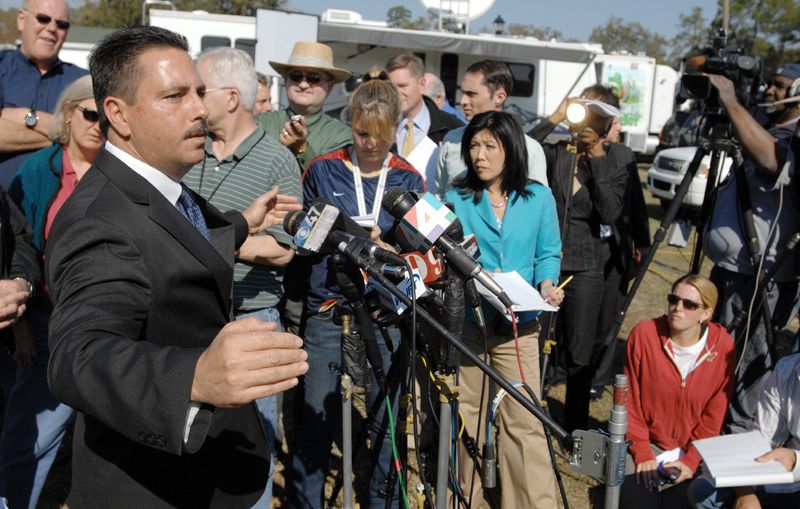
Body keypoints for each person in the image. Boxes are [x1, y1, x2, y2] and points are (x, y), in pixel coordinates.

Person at [44, 26, 307, 507]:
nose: (200, 110)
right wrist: (194, 377)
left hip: (199, 471)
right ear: (118, 115)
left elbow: (177, 237)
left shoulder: (160, 183)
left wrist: (243, 225)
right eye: (175, 96)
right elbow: (77, 355)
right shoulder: (99, 221)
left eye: (199, 93)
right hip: (150, 485)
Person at [291, 78, 425, 509]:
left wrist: (390, 250)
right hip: (329, 309)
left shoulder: (408, 177)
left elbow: (422, 253)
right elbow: (302, 242)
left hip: (384, 314)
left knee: (387, 419)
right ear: (350, 123)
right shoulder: (323, 169)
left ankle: (382, 502)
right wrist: (343, 238)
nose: (370, 143)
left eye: (380, 135)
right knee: (315, 420)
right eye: (362, 132)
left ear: (396, 128)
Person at [182, 47, 302, 508]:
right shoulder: (189, 153)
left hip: (250, 321)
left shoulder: (276, 162)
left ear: (230, 97)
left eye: (199, 90)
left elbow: (284, 250)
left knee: (249, 455)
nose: (191, 101)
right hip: (193, 318)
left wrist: (212, 244)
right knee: (192, 444)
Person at [446, 110, 563, 508]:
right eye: (473, 146)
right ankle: (469, 501)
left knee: (524, 422)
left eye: (489, 147)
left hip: (520, 327)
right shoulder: (456, 197)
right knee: (468, 422)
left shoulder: (538, 196)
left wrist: (548, 285)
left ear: (510, 150)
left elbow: (548, 254)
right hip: (470, 325)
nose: (479, 156)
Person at [0, 75, 100, 509]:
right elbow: (22, 246)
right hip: (46, 323)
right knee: (30, 440)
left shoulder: (120, 174)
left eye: (108, 117)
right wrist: (21, 327)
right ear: (68, 114)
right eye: (90, 113)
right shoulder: (40, 169)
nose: (99, 125)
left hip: (104, 328)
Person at [703, 69, 799, 434]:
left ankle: (737, 464)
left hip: (764, 276)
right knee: (717, 359)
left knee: (745, 374)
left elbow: (771, 160)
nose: (770, 91)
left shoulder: (793, 136)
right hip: (732, 269)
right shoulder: (765, 125)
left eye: (780, 86)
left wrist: (731, 100)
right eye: (769, 82)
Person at [529, 85, 629, 433]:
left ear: (607, 122)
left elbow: (610, 212)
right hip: (545, 258)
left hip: (586, 262)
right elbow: (519, 147)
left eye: (595, 114)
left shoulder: (617, 158)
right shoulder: (558, 152)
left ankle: (575, 428)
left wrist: (597, 156)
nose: (586, 120)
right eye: (582, 111)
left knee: (578, 351)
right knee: (534, 341)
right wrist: (555, 116)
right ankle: (527, 414)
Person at [621, 274, 735, 509]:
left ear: (706, 313)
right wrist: (642, 452)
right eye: (673, 300)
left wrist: (692, 459)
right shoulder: (644, 334)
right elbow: (628, 401)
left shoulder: (723, 345)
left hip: (696, 449)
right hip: (646, 443)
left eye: (689, 304)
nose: (677, 308)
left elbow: (715, 413)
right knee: (642, 503)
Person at [590, 111, 652, 398]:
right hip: (585, 245)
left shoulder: (624, 154)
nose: (620, 128)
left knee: (609, 315)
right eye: (615, 123)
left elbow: (637, 204)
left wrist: (642, 242)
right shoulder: (574, 152)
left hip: (615, 248)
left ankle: (598, 379)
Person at [688, 352, 800, 509]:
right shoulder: (786, 369)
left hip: (795, 467)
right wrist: (745, 492)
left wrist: (795, 460)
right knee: (703, 492)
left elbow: (792, 460)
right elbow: (762, 439)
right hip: (789, 478)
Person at [0, 0, 88, 189]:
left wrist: (29, 118)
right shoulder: (1, 68)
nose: (51, 29)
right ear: (21, 20)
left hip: (61, 213)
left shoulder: (83, 83)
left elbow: (93, 137)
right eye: (43, 19)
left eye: (61, 24)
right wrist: (65, 134)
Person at [435, 60, 548, 198]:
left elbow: (538, 205)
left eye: (471, 94)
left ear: (499, 97)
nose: (463, 101)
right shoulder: (451, 140)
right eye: (463, 93)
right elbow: (440, 196)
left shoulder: (530, 149)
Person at [257, 41, 352, 172]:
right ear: (286, 80)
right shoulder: (260, 123)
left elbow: (331, 182)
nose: (303, 84)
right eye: (296, 76)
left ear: (329, 87)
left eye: (313, 78)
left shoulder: (341, 135)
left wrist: (302, 149)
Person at [386, 54, 462, 182]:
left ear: (422, 85)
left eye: (403, 86)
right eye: (391, 87)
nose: (396, 93)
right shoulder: (378, 126)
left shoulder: (452, 127)